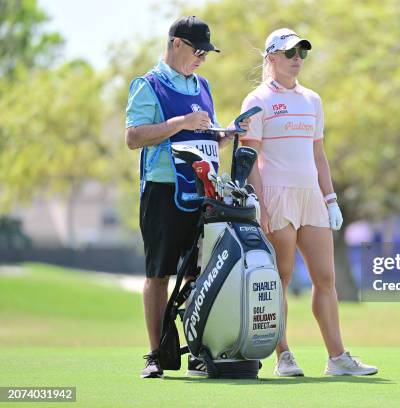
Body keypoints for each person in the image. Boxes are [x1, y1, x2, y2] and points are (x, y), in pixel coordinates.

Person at [239, 28, 378, 376]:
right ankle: (282, 356)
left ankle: (337, 358)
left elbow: (319, 154)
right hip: (276, 196)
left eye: (301, 52)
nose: (297, 59)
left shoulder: (313, 100)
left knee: (325, 278)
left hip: (311, 198)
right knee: (280, 279)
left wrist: (330, 199)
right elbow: (250, 157)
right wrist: (260, 204)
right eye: (289, 53)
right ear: (271, 57)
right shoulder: (257, 101)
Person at [125, 16, 249, 379]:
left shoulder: (203, 86)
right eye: (198, 51)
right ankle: (154, 354)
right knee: (159, 274)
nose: (202, 59)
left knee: (200, 274)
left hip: (201, 191)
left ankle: (197, 349)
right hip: (162, 190)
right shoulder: (147, 85)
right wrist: (180, 122)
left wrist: (225, 134)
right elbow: (133, 137)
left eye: (207, 53)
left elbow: (205, 136)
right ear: (176, 43)